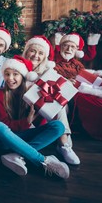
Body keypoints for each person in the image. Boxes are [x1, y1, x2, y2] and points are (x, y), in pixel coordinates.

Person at [0, 55, 69, 179]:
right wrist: (27, 121)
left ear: (23, 76)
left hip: (26, 136)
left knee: (59, 126)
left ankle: (17, 155)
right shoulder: (0, 94)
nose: (10, 78)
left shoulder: (33, 92)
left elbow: (40, 122)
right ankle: (43, 161)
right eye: (7, 74)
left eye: (15, 74)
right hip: (7, 139)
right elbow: (4, 123)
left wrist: (43, 110)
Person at [22, 36, 81, 165]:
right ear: (26, 52)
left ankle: (64, 144)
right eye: (33, 51)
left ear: (45, 57)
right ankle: (64, 141)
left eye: (41, 53)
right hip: (23, 111)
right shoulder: (17, 68)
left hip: (42, 114)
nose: (36, 55)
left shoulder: (47, 72)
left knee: (58, 103)